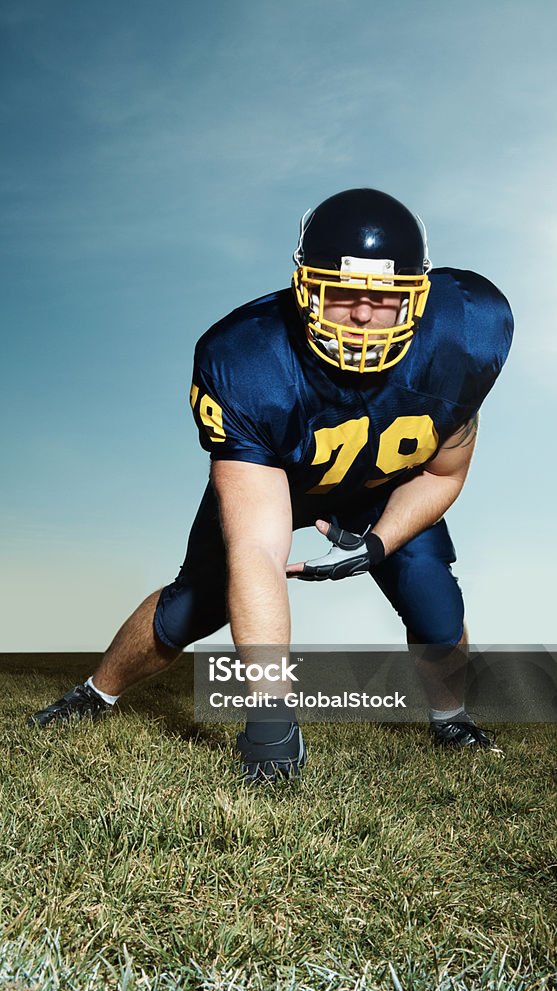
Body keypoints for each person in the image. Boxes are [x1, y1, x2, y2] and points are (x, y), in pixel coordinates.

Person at [28, 188, 514, 783]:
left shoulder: (468, 331)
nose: (363, 315)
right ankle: (94, 694)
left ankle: (451, 718)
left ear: (419, 295)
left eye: (384, 297)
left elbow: (445, 471)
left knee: (433, 596)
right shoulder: (246, 359)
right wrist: (269, 714)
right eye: (342, 294)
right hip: (281, 481)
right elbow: (258, 549)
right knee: (189, 609)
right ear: (306, 289)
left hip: (386, 485)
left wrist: (379, 542)